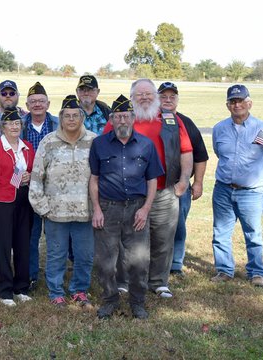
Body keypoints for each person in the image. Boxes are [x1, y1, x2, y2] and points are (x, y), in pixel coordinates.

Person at [103, 79, 192, 299]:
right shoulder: (120, 118)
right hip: (131, 196)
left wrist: (183, 181)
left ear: (156, 96)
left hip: (164, 192)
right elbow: (104, 148)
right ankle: (124, 281)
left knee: (163, 238)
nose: (144, 97)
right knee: (129, 242)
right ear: (132, 97)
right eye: (139, 94)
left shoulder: (171, 120)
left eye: (148, 93)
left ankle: (159, 282)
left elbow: (186, 151)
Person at [90, 95, 163, 320]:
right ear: (111, 119)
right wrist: (97, 209)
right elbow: (94, 178)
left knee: (139, 261)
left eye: (126, 116)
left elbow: (152, 180)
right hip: (108, 209)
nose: (122, 120)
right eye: (118, 116)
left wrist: (146, 209)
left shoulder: (146, 145)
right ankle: (110, 300)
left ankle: (137, 302)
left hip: (136, 209)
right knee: (106, 262)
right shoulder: (99, 144)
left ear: (133, 118)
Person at [210, 85, 263, 287]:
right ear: (227, 105)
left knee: (253, 233)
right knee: (221, 232)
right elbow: (218, 151)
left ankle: (257, 273)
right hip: (223, 189)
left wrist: (255, 174)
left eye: (240, 100)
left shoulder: (262, 129)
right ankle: (224, 271)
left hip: (251, 192)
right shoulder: (219, 129)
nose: (237, 104)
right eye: (233, 101)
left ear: (249, 103)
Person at [29, 95, 96, 307]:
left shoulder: (94, 141)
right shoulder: (48, 142)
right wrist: (43, 208)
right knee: (56, 254)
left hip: (85, 212)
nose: (71, 119)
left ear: (82, 117)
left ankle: (79, 289)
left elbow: (100, 177)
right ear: (61, 118)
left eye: (75, 115)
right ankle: (55, 291)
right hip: (56, 213)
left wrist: (98, 208)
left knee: (84, 255)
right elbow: (37, 177)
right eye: (67, 116)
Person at [157, 82, 209, 276]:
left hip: (179, 185)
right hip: (154, 185)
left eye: (172, 97)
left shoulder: (186, 123)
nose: (168, 100)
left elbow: (201, 156)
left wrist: (198, 182)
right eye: (163, 96)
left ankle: (176, 265)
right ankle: (155, 263)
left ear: (177, 99)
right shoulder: (150, 120)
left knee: (178, 225)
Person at [0, 110, 34, 307]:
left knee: (23, 244)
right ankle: (4, 291)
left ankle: (21, 287)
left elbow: (31, 170)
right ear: (2, 127)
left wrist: (29, 176)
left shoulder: (27, 147)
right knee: (4, 246)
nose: (14, 126)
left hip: (24, 200)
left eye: (17, 123)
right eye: (10, 123)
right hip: (3, 201)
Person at [20, 82, 59, 291]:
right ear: (27, 104)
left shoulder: (58, 123)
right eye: (33, 101)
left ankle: (55, 276)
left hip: (54, 188)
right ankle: (31, 275)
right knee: (30, 236)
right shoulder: (19, 125)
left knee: (55, 237)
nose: (37, 105)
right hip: (28, 188)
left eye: (41, 101)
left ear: (48, 103)